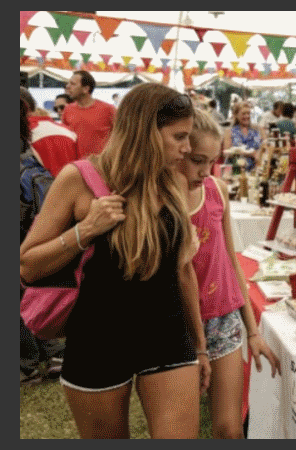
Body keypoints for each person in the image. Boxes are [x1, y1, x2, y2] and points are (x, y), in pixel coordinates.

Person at [19, 83, 210, 438]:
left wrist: (200, 346)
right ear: (146, 131)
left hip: (167, 335)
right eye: (179, 137)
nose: (186, 149)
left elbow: (184, 270)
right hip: (97, 339)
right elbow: (28, 264)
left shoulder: (171, 181)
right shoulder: (78, 179)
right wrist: (86, 229)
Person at [178, 108, 280, 438]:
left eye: (211, 161)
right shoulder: (161, 198)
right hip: (178, 322)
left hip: (223, 318)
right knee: (183, 426)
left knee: (229, 428)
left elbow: (230, 261)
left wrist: (251, 330)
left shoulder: (216, 190)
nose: (204, 170)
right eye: (196, 159)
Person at [20, 95, 65, 386]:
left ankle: (26, 365)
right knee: (32, 287)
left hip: (23, 214)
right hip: (35, 218)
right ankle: (53, 352)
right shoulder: (27, 143)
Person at [21, 87, 79, 177]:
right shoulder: (69, 131)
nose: (59, 111)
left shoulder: (25, 134)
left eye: (62, 107)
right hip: (70, 187)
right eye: (56, 109)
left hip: (40, 188)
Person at [61, 70, 116, 158]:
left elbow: (120, 136)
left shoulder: (108, 109)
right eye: (68, 83)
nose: (67, 86)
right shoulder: (67, 109)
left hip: (101, 166)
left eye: (73, 84)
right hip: (75, 166)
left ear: (86, 89)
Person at [223, 101, 265, 172]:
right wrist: (249, 153)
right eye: (243, 114)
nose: (247, 116)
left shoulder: (258, 129)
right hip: (236, 170)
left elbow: (266, 147)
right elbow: (225, 153)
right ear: (236, 115)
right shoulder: (229, 131)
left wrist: (259, 153)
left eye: (248, 113)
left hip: (256, 169)